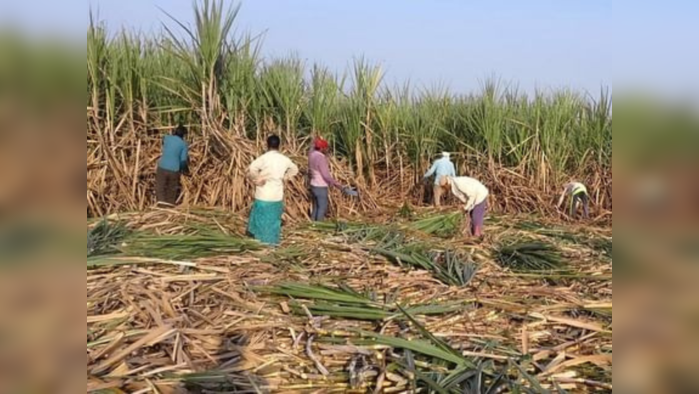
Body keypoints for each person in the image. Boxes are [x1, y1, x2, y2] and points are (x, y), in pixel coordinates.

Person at [246, 135, 299, 245]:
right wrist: (285, 178)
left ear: (267, 144)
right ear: (279, 145)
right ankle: (271, 243)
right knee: (274, 220)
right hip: (276, 194)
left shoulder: (264, 158)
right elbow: (295, 169)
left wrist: (257, 179)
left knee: (261, 219)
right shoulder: (284, 159)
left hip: (263, 193)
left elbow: (252, 168)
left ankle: (259, 243)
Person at [308, 137, 346, 222]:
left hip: (313, 185)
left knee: (316, 206)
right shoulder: (321, 158)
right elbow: (326, 175)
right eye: (325, 148)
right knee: (322, 207)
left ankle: (313, 224)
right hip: (320, 186)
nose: (326, 149)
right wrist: (336, 184)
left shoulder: (311, 154)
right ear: (322, 148)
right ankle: (320, 225)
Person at [155, 125, 189, 206]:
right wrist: (185, 170)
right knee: (171, 189)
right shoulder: (183, 144)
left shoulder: (167, 138)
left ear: (175, 132)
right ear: (183, 135)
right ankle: (169, 206)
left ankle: (161, 205)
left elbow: (162, 139)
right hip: (174, 170)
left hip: (162, 167)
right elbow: (183, 161)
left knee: (160, 187)